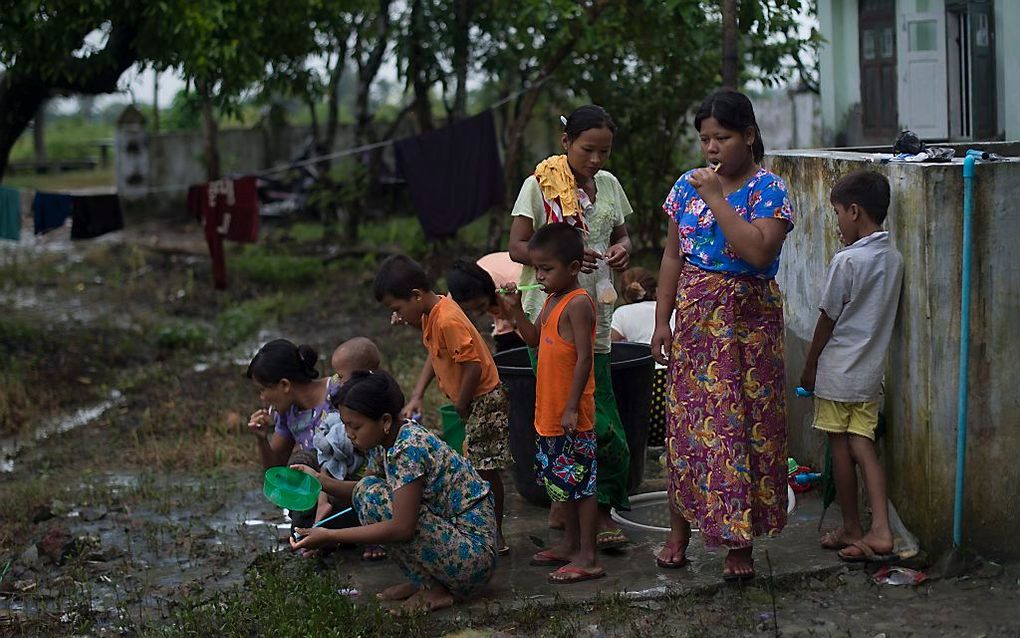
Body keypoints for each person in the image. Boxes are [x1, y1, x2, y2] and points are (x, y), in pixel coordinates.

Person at [650, 89, 795, 581]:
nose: (711, 149)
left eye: (723, 138)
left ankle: (740, 543)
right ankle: (678, 532)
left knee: (744, 429)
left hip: (747, 326)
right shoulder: (684, 187)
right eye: (704, 139)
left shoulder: (769, 190)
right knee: (688, 428)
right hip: (694, 321)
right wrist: (660, 321)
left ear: (749, 136)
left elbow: (757, 253)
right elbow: (673, 256)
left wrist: (715, 198)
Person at [508, 104, 632, 548]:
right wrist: (564, 259)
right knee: (569, 416)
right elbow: (517, 246)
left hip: (596, 309)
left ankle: (577, 506)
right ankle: (587, 510)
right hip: (551, 315)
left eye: (604, 151)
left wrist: (621, 251)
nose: (596, 160)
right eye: (587, 150)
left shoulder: (609, 186)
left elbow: (621, 234)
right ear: (566, 144)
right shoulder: (538, 187)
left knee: (593, 411)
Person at [291, 370, 496, 613]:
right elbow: (361, 492)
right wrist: (318, 480)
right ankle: (425, 582)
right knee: (368, 494)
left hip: (472, 557)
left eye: (355, 426)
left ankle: (439, 590)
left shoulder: (408, 449)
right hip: (450, 538)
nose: (348, 434)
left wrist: (330, 536)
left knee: (377, 501)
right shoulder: (385, 441)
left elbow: (402, 527)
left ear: (385, 421)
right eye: (345, 425)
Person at [373, 254, 513, 555]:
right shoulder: (431, 315)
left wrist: (462, 404)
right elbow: (435, 351)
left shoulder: (447, 318)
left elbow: (473, 366)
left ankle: (495, 535)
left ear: (415, 295)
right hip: (472, 400)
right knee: (477, 464)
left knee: (485, 470)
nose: (398, 315)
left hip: (483, 399)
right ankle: (486, 530)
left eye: (398, 308)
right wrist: (418, 394)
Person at [799, 170, 903, 563]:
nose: (837, 221)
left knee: (840, 449)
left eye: (838, 213)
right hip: (869, 376)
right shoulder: (893, 258)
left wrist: (810, 368)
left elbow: (827, 318)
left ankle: (852, 528)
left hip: (838, 373)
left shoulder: (847, 260)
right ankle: (881, 530)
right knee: (865, 447)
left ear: (855, 211)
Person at [502, 222, 603, 584]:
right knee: (565, 485)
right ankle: (570, 544)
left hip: (572, 415)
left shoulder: (577, 303)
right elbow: (532, 339)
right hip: (551, 413)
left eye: (547, 269)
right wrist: (513, 310)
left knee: (582, 486)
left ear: (573, 268)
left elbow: (585, 359)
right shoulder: (552, 300)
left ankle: (588, 555)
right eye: (537, 269)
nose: (540, 276)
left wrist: (573, 406)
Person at [246, 338, 383, 561]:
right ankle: (321, 533)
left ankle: (354, 528)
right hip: (325, 487)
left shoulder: (339, 390)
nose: (262, 398)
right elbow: (277, 473)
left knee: (307, 458)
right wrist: (262, 440)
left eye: (263, 390)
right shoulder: (288, 414)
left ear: (284, 385)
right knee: (299, 467)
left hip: (352, 482)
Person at [610, 267, 672, 448]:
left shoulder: (621, 314)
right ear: (655, 291)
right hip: (669, 390)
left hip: (642, 396)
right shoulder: (669, 311)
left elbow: (610, 348)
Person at [447, 254, 525, 352]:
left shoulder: (516, 286)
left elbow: (534, 336)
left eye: (481, 306)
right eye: (469, 310)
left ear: (489, 291)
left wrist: (514, 318)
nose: (476, 314)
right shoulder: (459, 290)